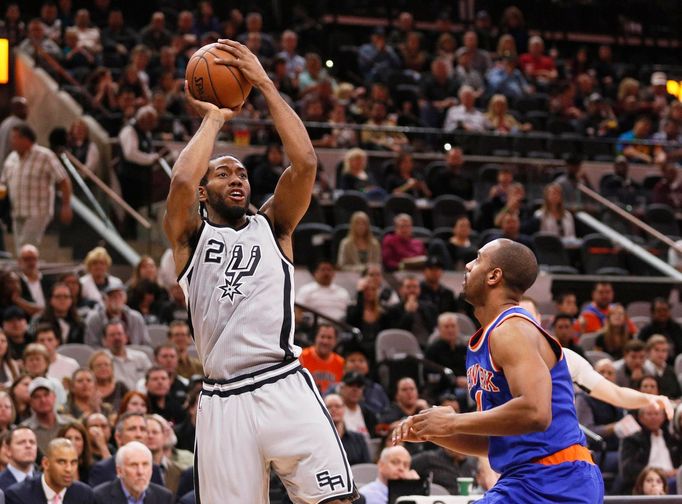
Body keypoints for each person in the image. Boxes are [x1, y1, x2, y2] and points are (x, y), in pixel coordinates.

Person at [163, 39, 356, 503]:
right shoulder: (191, 238)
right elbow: (181, 181)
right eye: (223, 174)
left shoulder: (275, 226)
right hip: (222, 399)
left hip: (283, 381)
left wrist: (265, 85)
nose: (236, 179)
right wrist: (214, 116)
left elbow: (305, 162)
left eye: (242, 174)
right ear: (206, 194)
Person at [394, 239, 603, 503]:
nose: (468, 265)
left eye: (478, 258)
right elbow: (497, 440)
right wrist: (435, 432)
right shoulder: (492, 336)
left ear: (494, 275)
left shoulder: (511, 330)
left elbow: (535, 412)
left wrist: (452, 421)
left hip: (553, 477)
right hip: (534, 478)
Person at [0, 124, 73, 253]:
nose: (11, 141)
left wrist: (66, 205)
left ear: (26, 139)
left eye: (14, 138)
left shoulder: (45, 156)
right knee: (20, 250)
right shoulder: (12, 158)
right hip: (17, 210)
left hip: (38, 211)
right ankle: (29, 272)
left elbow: (63, 180)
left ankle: (29, 272)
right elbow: (3, 183)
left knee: (26, 247)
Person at [5, 438, 94, 504]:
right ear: (46, 463)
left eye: (73, 462)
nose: (69, 469)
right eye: (62, 462)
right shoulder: (18, 495)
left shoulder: (85, 494)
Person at [620, 404, 681, 494]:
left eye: (656, 414)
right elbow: (628, 469)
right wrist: (661, 473)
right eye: (649, 414)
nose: (653, 417)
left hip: (676, 481)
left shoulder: (673, 439)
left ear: (664, 416)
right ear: (640, 417)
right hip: (647, 482)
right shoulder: (632, 440)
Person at [92, 441, 172, 504]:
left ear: (151, 470)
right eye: (133, 465)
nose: (140, 472)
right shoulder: (100, 497)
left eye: (145, 464)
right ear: (119, 471)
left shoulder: (164, 497)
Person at [84, 281, 151, 348]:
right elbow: (91, 346)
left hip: (134, 356)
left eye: (120, 295)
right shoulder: (94, 320)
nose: (117, 299)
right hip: (105, 356)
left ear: (125, 298)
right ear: (104, 300)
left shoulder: (136, 318)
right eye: (112, 296)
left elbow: (145, 344)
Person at [21, 377, 73, 454]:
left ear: (54, 397)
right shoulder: (23, 430)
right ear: (30, 402)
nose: (43, 400)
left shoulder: (71, 425)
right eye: (36, 397)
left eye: (46, 395)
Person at [384, 277, 438, 346]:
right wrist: (409, 313)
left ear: (419, 289)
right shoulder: (393, 310)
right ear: (401, 290)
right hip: (403, 345)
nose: (412, 290)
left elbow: (433, 329)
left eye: (415, 287)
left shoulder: (430, 307)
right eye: (408, 287)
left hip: (427, 345)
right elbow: (396, 333)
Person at [99, 320, 152, 391]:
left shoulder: (141, 357)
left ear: (126, 337)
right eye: (112, 335)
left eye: (119, 334)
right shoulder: (101, 361)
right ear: (105, 340)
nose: (116, 338)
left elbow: (152, 378)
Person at [324, 393, 370, 466]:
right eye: (328, 407)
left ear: (344, 409)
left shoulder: (359, 439)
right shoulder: (320, 441)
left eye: (337, 406)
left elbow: (366, 467)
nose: (333, 409)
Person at [299, 324, 345, 395]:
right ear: (316, 338)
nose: (325, 341)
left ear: (335, 341)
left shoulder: (341, 362)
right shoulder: (302, 357)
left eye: (329, 338)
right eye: (322, 337)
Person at [643, 335, 681, 399]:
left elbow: (677, 394)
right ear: (648, 351)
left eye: (664, 350)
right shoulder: (642, 369)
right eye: (657, 350)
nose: (661, 354)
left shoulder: (670, 370)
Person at [0, 427, 37, 491]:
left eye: (32, 442)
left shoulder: (46, 482)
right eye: (21, 442)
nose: (28, 446)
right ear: (8, 450)